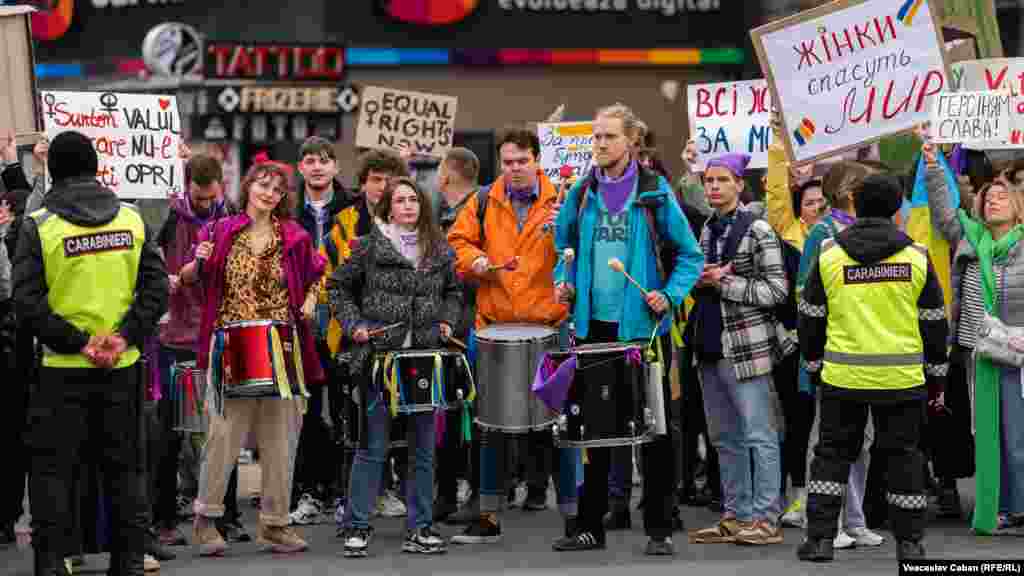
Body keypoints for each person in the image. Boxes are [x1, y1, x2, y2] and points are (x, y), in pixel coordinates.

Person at [13, 130, 168, 576]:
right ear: (95, 168)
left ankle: (52, 564)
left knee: (54, 474)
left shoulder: (39, 225)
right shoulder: (132, 219)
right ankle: (129, 563)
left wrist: (79, 342)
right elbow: (156, 288)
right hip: (122, 366)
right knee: (126, 471)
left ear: (53, 170)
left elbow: (27, 302)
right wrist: (123, 337)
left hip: (60, 369)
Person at [551, 103, 704, 554]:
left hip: (643, 329)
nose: (600, 144)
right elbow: (563, 245)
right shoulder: (582, 192)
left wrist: (669, 295)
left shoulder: (654, 191)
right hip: (593, 327)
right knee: (595, 430)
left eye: (609, 136)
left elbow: (690, 256)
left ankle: (659, 528)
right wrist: (564, 281)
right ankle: (589, 527)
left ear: (632, 141)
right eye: (596, 136)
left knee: (654, 430)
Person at [797, 173, 948, 562]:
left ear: (855, 204)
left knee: (831, 457)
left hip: (842, 377)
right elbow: (934, 322)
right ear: (898, 209)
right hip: (901, 379)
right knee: (904, 458)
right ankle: (910, 544)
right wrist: (937, 379)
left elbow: (810, 317)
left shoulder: (830, 254)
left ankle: (820, 540)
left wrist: (814, 367)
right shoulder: (916, 257)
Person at [187, 161, 325, 557]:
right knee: (223, 433)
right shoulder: (219, 231)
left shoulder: (295, 236)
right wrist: (198, 261)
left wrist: (311, 301)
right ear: (248, 187)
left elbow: (318, 274)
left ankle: (275, 523)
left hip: (282, 342)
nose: (269, 193)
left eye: (277, 190)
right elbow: (190, 279)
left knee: (281, 436)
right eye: (263, 185)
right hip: (233, 340)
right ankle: (205, 519)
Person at [447, 127, 574, 545]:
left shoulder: (565, 199)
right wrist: (475, 260)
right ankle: (488, 517)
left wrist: (565, 234)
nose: (515, 168)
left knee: (561, 427)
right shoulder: (483, 199)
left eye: (522, 161)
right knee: (491, 427)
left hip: (549, 327)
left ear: (537, 160)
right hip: (495, 328)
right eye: (508, 162)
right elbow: (457, 242)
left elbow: (581, 252)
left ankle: (575, 518)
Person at [330, 177, 461, 556]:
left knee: (423, 448)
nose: (407, 206)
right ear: (388, 208)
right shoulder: (368, 246)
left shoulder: (439, 247)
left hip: (424, 358)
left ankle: (420, 528)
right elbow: (337, 287)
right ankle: (357, 526)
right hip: (379, 358)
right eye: (400, 200)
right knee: (372, 445)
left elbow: (454, 292)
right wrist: (355, 325)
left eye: (413, 199)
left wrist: (448, 320)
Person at [686, 152, 789, 546]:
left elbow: (777, 290)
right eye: (709, 181)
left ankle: (766, 518)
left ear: (739, 185)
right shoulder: (707, 229)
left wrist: (723, 283)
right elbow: (702, 280)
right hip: (709, 344)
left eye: (722, 180)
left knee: (759, 434)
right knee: (724, 438)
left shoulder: (758, 229)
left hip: (746, 348)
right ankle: (736, 515)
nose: (713, 187)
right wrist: (699, 279)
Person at [924, 142, 1024, 535]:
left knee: (1017, 436)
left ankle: (1019, 506)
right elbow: (944, 212)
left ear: (1018, 207)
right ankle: (999, 506)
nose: (993, 201)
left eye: (1003, 196)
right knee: (987, 434)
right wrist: (933, 165)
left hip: (1018, 356)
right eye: (988, 197)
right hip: (976, 354)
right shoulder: (969, 238)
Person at [319, 148, 411, 524]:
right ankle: (349, 496)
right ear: (363, 183)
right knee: (351, 423)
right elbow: (330, 283)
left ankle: (385, 489)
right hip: (352, 337)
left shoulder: (411, 221)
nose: (383, 187)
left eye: (390, 180)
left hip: (399, 338)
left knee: (395, 418)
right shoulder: (342, 225)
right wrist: (353, 322)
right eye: (376, 179)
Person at [153, 151, 240, 546]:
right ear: (186, 186)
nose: (205, 204)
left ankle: (228, 517)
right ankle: (165, 520)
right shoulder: (169, 216)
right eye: (198, 197)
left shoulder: (231, 214)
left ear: (220, 186)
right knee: (171, 432)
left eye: (211, 197)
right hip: (178, 334)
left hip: (219, 331)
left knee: (225, 428)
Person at [291, 136, 354, 524]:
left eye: (324, 160)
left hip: (342, 322)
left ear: (335, 167)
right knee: (307, 412)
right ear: (301, 168)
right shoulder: (286, 210)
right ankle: (309, 492)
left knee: (346, 409)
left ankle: (345, 493)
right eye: (310, 161)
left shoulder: (352, 209)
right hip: (301, 322)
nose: (317, 167)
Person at [433, 147, 484, 524]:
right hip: (449, 323)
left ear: (447, 176)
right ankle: (447, 492)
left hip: (470, 322)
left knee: (473, 412)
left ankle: (477, 494)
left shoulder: (480, 211)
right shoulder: (439, 215)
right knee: (447, 413)